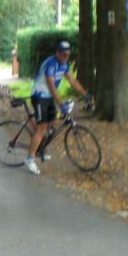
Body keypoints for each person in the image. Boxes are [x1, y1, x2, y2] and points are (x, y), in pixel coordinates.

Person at [25, 40, 90, 175]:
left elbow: (72, 80)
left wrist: (85, 94)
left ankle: (39, 145)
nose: (66, 57)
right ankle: (30, 159)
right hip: (39, 96)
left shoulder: (64, 64)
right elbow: (51, 86)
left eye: (68, 55)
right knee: (42, 128)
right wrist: (61, 104)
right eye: (63, 54)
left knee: (52, 123)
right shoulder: (51, 64)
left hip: (48, 97)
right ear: (57, 53)